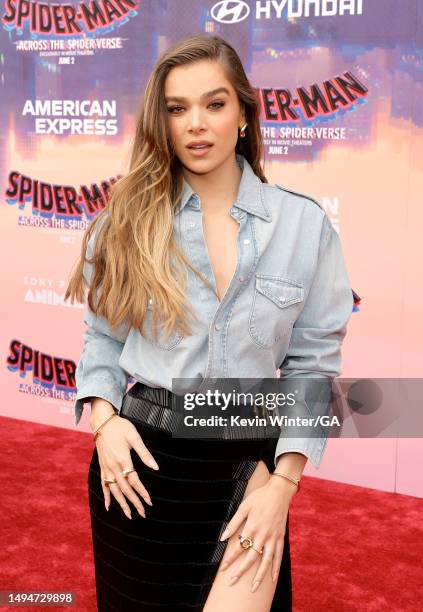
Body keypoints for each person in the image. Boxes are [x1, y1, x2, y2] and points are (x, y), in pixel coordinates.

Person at [65, 34, 354, 612]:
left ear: (244, 115)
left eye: (215, 104)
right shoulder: (124, 221)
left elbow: (312, 366)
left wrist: (283, 485)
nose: (196, 123)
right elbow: (102, 337)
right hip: (141, 466)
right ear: (162, 122)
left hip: (249, 466)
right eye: (177, 108)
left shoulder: (303, 226)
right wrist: (105, 423)